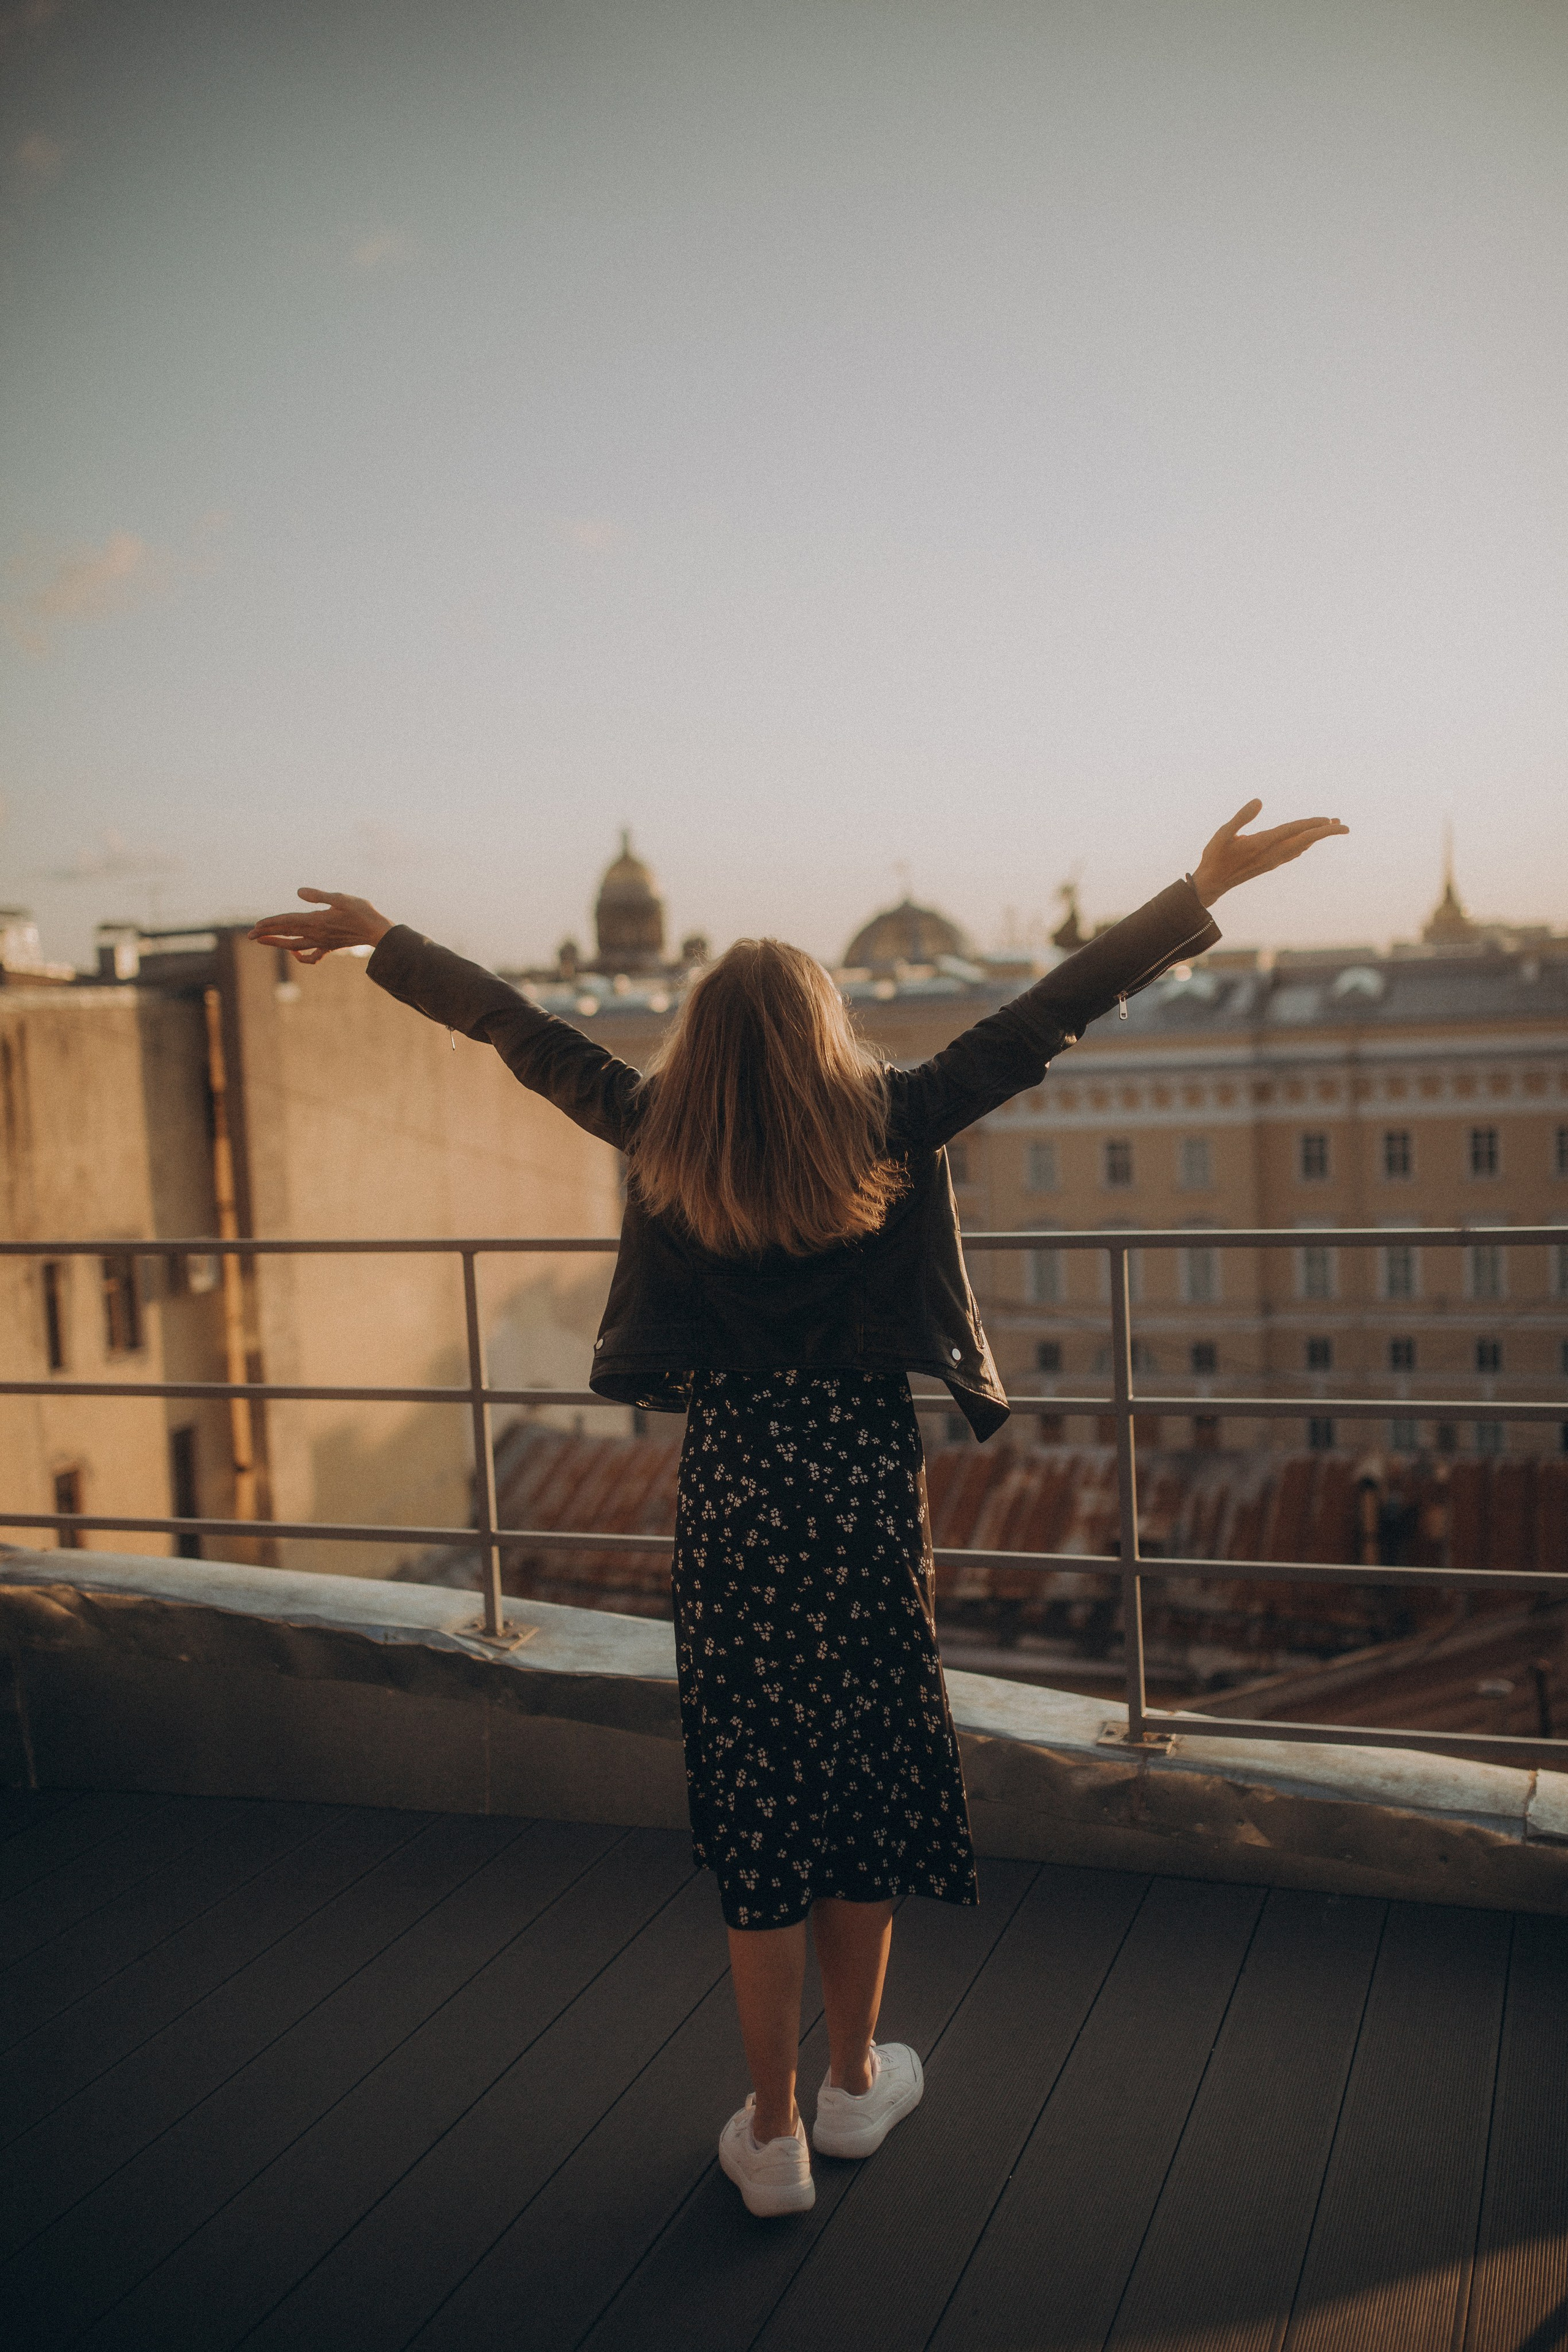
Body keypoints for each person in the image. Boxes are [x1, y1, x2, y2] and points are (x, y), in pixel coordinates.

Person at [249, 797, 1345, 2218]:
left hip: (733, 1501)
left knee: (761, 1807)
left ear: (698, 1045)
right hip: (861, 1495)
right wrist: (1196, 886)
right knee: (866, 1797)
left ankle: (767, 2133)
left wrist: (384, 939)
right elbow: (1043, 1016)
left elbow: (518, 1032)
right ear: (826, 1035)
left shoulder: (654, 1129)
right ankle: (851, 2088)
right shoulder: (888, 1121)